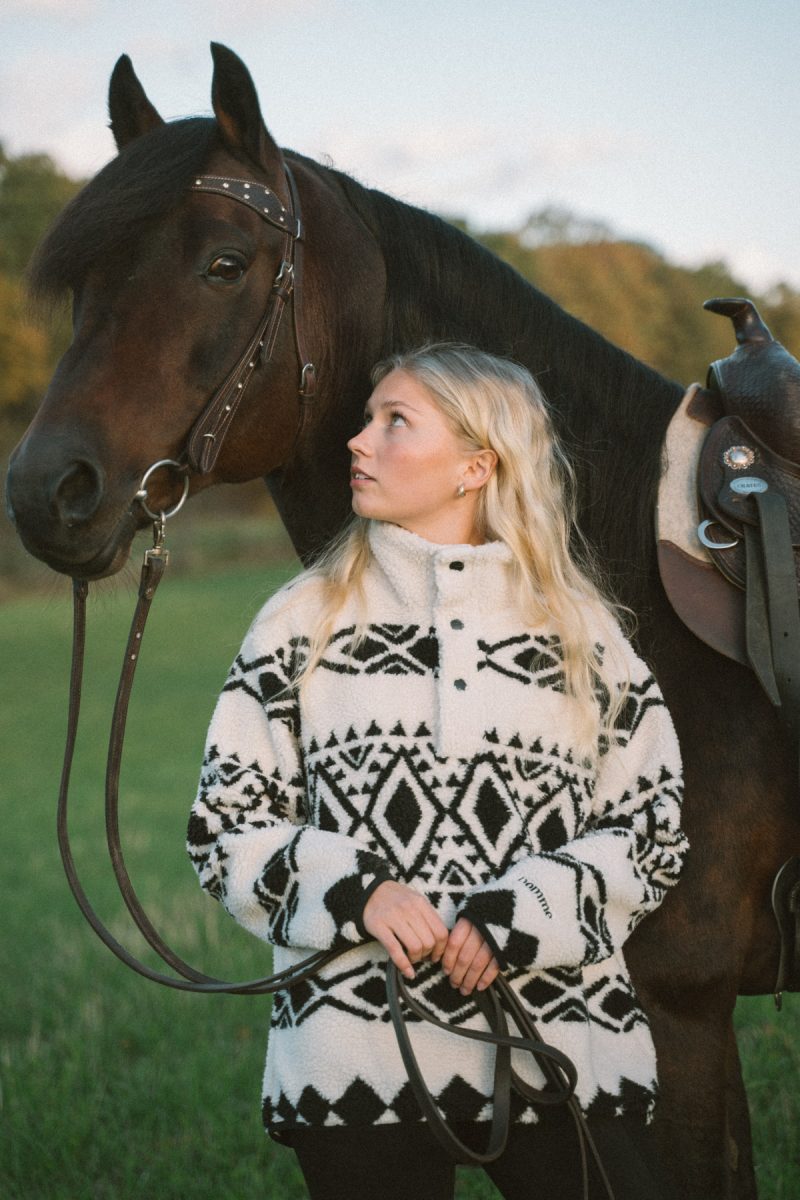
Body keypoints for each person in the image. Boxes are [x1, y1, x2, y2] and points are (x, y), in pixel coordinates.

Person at [187, 344, 687, 1200]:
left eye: (395, 422)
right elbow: (225, 826)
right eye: (367, 418)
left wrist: (525, 914)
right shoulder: (300, 620)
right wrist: (356, 892)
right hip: (351, 1060)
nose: (358, 442)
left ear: (475, 466)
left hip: (558, 1048)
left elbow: (651, 831)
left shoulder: (582, 632)